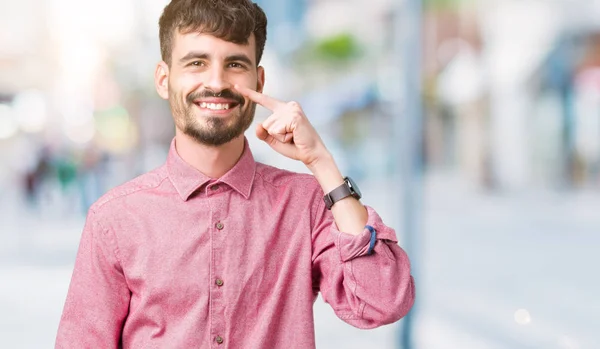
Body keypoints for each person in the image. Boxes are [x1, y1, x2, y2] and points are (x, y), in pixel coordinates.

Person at [55, 0, 415, 348]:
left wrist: (322, 162)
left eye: (235, 64)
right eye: (196, 62)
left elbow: (382, 302)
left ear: (258, 81)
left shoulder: (305, 204)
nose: (217, 82)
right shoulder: (115, 219)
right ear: (164, 80)